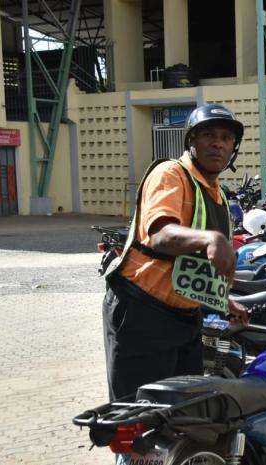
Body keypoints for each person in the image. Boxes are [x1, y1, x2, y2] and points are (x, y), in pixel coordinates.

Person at [102, 103, 249, 400]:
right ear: (191, 141)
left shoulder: (216, 192)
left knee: (177, 413)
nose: (218, 143)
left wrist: (223, 300)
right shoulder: (171, 174)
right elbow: (160, 234)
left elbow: (194, 265)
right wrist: (211, 239)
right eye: (208, 135)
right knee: (137, 418)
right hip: (142, 311)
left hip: (184, 318)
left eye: (226, 138)